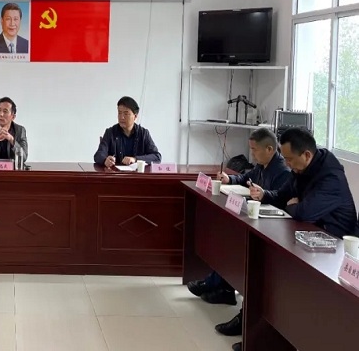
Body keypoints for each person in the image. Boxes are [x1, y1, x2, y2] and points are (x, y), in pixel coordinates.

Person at [232, 128, 358, 351]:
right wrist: (264, 194)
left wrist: (292, 206)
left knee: (292, 288)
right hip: (309, 240)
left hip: (333, 249)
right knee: (273, 275)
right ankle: (264, 336)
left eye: (289, 159)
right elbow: (282, 196)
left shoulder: (331, 177)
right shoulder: (302, 169)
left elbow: (303, 212)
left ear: (307, 155)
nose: (287, 164)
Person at [186, 129, 291, 342]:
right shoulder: (262, 165)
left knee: (240, 251)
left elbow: (282, 199)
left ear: (269, 149)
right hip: (255, 220)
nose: (251, 154)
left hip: (272, 229)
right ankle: (221, 285)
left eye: (255, 150)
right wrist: (230, 178)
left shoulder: (282, 170)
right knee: (229, 240)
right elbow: (245, 178)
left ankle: (233, 299)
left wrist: (264, 195)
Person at [94, 96, 161, 166]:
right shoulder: (110, 132)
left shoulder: (143, 133)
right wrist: (105, 160)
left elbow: (157, 157)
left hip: (137, 172)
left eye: (126, 114)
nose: (122, 117)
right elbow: (98, 155)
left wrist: (135, 159)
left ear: (135, 116)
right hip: (115, 172)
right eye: (119, 113)